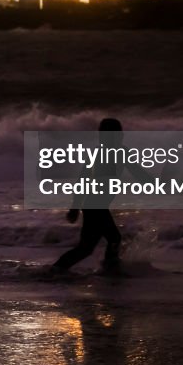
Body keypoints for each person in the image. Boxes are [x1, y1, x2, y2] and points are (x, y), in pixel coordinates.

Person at [52, 117, 147, 273]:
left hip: (95, 206)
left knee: (87, 247)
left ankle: (58, 269)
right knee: (113, 238)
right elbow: (82, 181)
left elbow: (139, 174)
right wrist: (74, 208)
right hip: (94, 206)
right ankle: (110, 269)